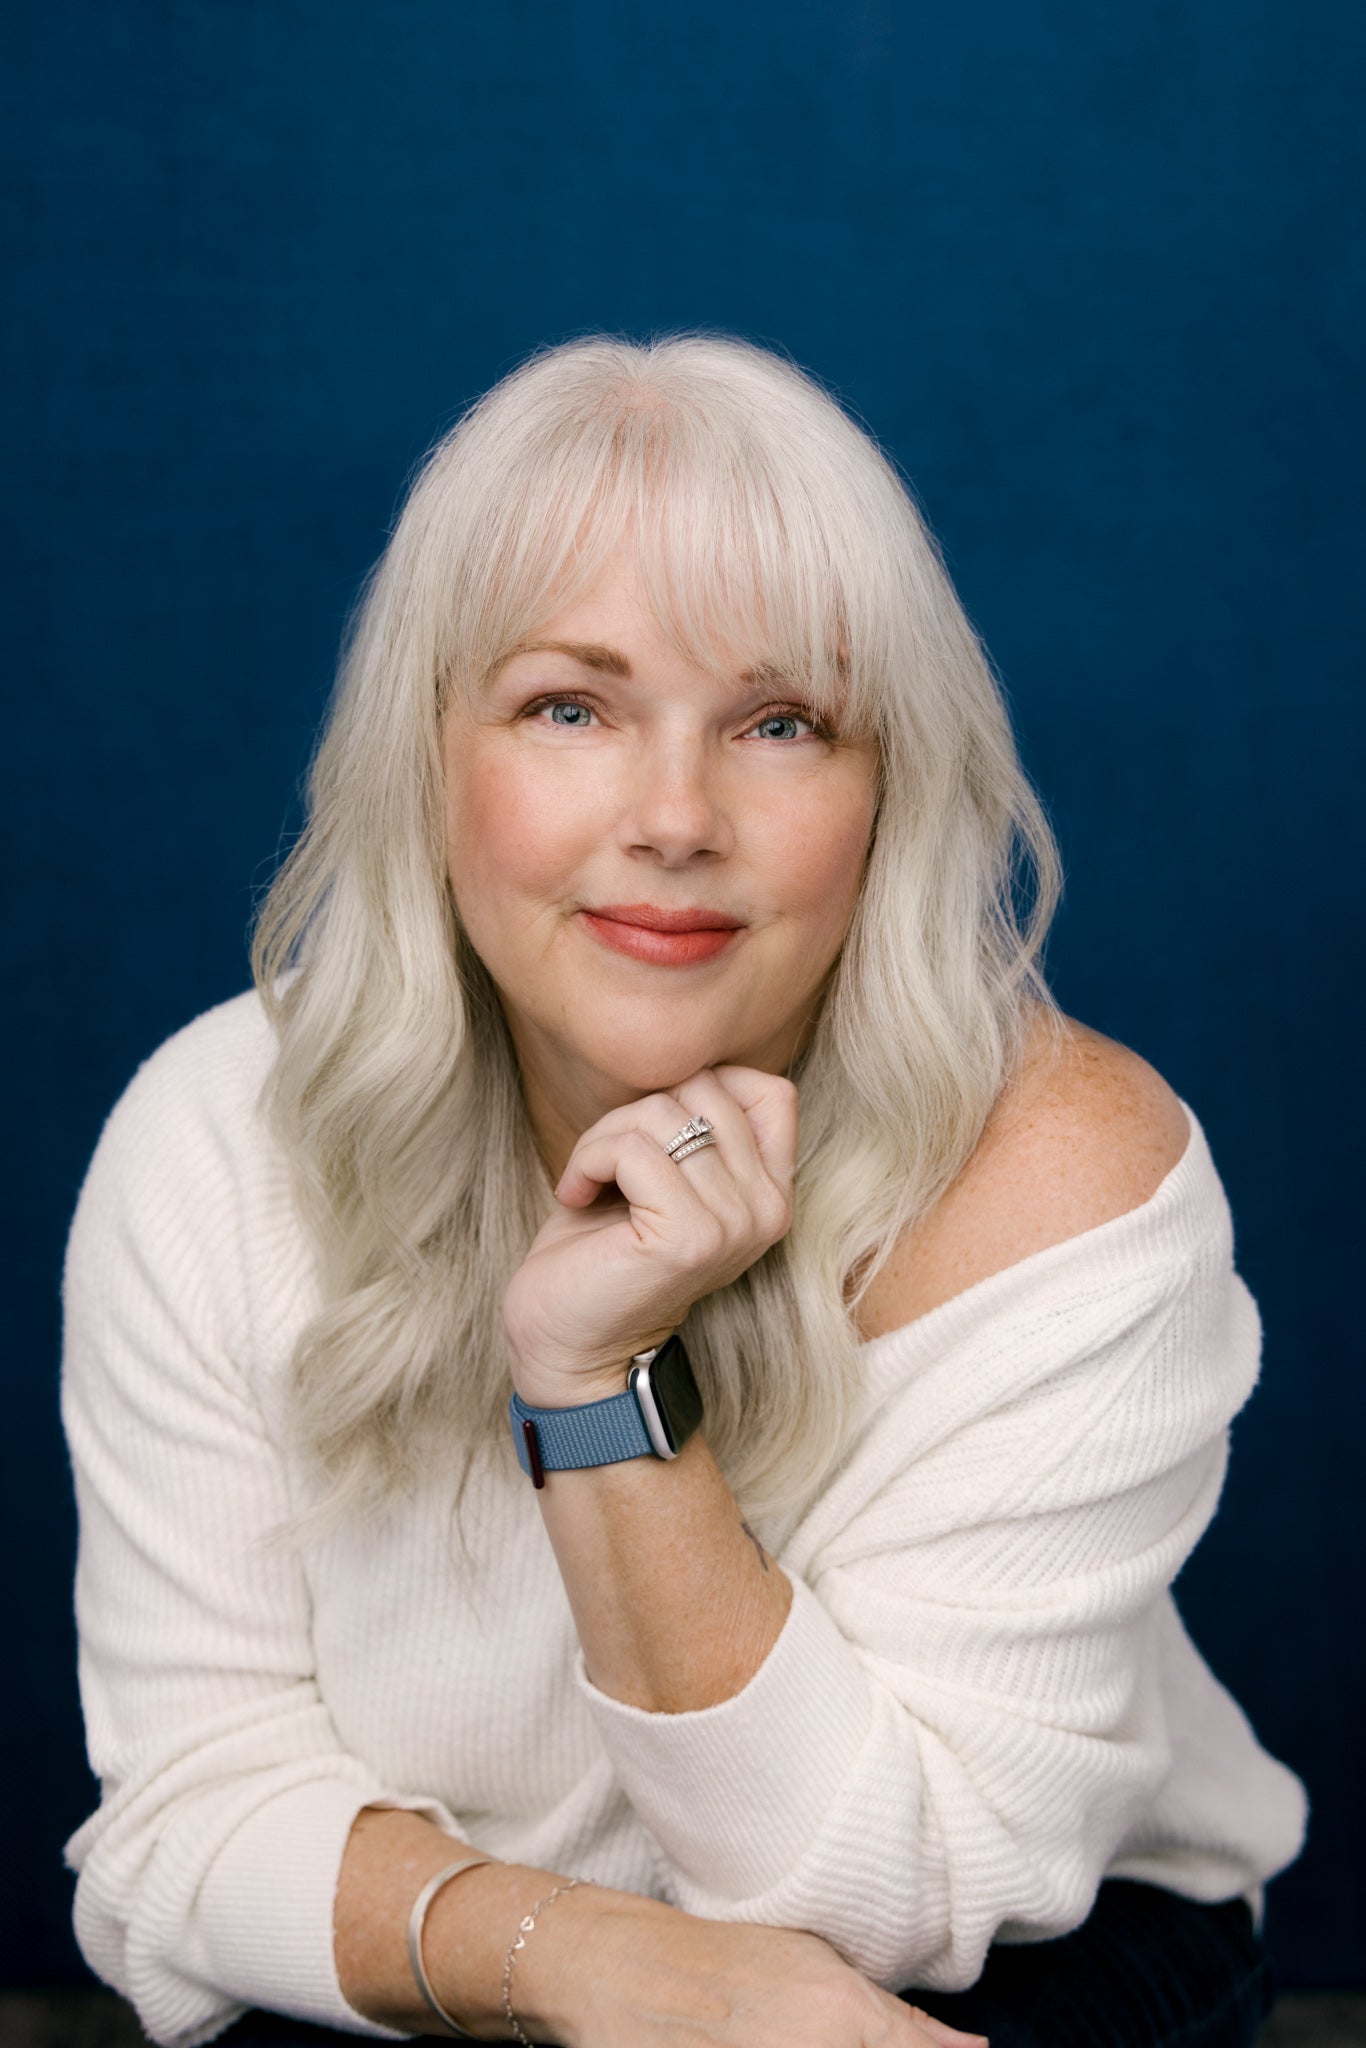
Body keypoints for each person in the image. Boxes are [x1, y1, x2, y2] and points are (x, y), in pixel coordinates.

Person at [62, 333, 1306, 2048]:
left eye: (780, 723)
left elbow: (880, 1902)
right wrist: (576, 1959)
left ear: (889, 788)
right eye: (568, 707)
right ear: (430, 754)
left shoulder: (1064, 1176)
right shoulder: (219, 1132)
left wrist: (595, 1385)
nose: (673, 816)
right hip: (465, 1946)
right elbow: (188, 1820)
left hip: (1021, 1950)